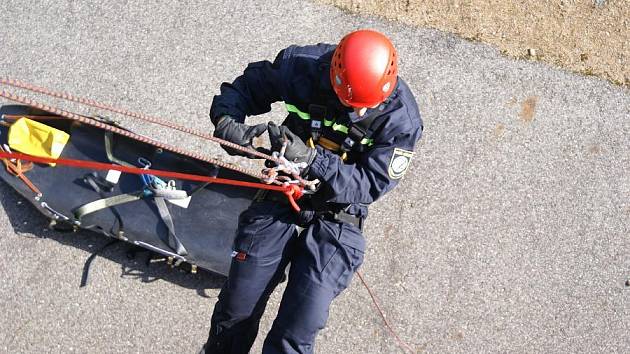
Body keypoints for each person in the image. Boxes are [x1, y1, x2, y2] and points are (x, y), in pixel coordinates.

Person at [203, 29, 423, 354]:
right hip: (284, 189)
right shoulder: (301, 67)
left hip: (339, 211)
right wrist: (227, 121)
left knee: (297, 329)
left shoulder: (401, 119)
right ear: (334, 77)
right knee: (236, 310)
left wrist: (312, 160)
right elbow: (247, 88)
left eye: (368, 106)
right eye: (352, 104)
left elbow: (369, 183)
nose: (360, 113)